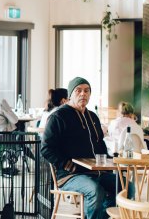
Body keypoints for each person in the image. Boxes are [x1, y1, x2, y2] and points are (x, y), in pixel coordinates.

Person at [41, 77, 116, 219]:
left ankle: (100, 215)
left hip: (96, 172)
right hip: (70, 175)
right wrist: (66, 164)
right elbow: (46, 148)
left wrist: (109, 162)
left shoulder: (93, 117)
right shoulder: (58, 116)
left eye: (87, 91)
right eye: (78, 90)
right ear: (70, 94)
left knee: (127, 187)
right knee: (95, 191)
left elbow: (100, 144)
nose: (83, 94)